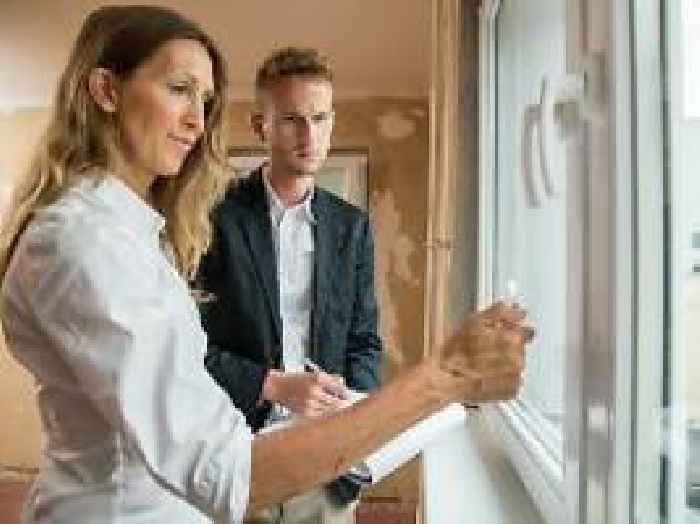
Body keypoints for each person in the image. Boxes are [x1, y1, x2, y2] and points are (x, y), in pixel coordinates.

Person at [0, 5, 533, 524]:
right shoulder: (86, 240)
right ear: (106, 90)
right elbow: (225, 471)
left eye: (205, 100)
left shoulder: (137, 233)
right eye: (179, 89)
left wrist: (350, 413)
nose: (196, 121)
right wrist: (446, 377)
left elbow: (356, 340)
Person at [197, 47, 381, 522]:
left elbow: (363, 341)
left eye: (320, 119)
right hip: (239, 454)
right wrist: (273, 386)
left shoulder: (353, 227)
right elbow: (190, 349)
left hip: (327, 464)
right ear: (261, 126)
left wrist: (356, 418)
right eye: (293, 120)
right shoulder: (212, 218)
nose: (309, 136)